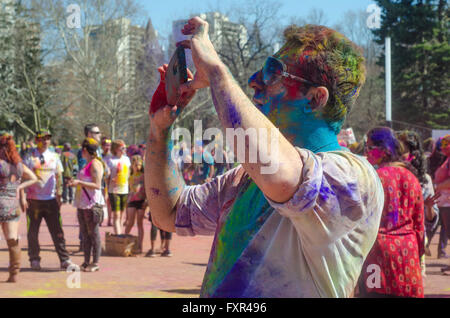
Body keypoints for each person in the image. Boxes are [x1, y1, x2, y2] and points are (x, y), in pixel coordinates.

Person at [145, 18, 384, 297]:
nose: (254, 82)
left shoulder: (353, 176)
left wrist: (215, 70)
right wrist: (160, 130)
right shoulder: (246, 177)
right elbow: (170, 213)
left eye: (273, 72)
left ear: (315, 99)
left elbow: (283, 178)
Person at [359, 127, 424, 298]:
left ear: (384, 150)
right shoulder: (412, 178)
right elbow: (419, 226)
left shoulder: (373, 178)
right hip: (408, 252)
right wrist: (418, 255)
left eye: (370, 148)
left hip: (378, 254)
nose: (366, 152)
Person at [23, 129, 74, 270]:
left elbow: (58, 176)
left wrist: (60, 194)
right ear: (36, 140)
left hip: (51, 200)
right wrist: (23, 196)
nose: (45, 141)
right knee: (32, 231)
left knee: (57, 230)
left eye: (47, 138)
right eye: (42, 138)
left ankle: (64, 259)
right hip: (33, 200)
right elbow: (24, 177)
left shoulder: (55, 156)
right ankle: (34, 259)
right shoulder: (29, 156)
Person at [397, 130, 440, 275]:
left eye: (402, 150)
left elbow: (431, 220)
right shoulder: (384, 174)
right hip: (387, 244)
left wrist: (428, 208)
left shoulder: (424, 180)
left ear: (413, 154)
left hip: (413, 243)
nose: (398, 155)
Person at [0, 133, 38, 282]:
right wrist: (19, 187)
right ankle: (14, 273)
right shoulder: (19, 165)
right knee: (12, 239)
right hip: (12, 204)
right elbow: (34, 178)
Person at [69, 138, 105, 272]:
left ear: (85, 150)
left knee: (93, 233)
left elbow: (97, 185)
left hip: (91, 204)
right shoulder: (87, 163)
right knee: (85, 234)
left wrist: (79, 182)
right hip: (82, 203)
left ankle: (95, 262)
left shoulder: (95, 164)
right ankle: (86, 261)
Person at [428, 137, 448, 258]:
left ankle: (427, 243)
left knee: (433, 222)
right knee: (443, 225)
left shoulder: (431, 159)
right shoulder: (445, 159)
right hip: (441, 196)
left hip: (435, 194)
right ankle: (441, 249)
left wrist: (434, 185)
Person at [105, 140, 131, 235]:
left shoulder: (127, 159)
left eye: (125, 147)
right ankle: (118, 235)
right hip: (114, 190)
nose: (124, 149)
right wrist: (109, 179)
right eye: (122, 148)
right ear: (116, 149)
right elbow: (106, 176)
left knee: (122, 214)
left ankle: (119, 233)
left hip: (124, 189)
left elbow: (128, 173)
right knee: (116, 214)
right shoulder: (111, 160)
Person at [434, 135, 450, 273]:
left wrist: (437, 186)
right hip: (445, 203)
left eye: (446, 144)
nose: (443, 147)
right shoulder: (447, 160)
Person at [124, 155, 146, 253]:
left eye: (139, 165)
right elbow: (129, 190)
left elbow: (146, 189)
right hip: (132, 201)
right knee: (130, 222)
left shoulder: (143, 176)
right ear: (132, 165)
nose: (137, 167)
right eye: (135, 165)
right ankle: (124, 242)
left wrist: (146, 201)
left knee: (139, 223)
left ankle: (140, 246)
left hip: (141, 201)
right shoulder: (130, 177)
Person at [101, 137, 112, 226]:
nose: (107, 147)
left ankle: (109, 220)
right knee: (101, 200)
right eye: (105, 145)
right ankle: (100, 219)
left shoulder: (112, 156)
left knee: (109, 201)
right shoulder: (99, 156)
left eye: (109, 145)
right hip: (101, 181)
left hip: (111, 181)